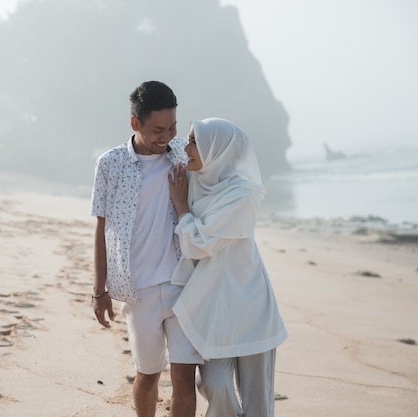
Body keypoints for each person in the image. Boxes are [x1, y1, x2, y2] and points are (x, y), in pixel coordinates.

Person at [91, 80, 202, 417]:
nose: (166, 137)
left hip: (185, 284)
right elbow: (101, 227)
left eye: (172, 128)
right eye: (157, 129)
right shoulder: (110, 164)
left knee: (184, 377)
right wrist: (99, 290)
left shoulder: (186, 154)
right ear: (135, 123)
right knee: (148, 374)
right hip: (137, 290)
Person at [167, 118, 288, 417]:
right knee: (215, 384)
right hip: (211, 306)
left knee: (258, 401)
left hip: (250, 306)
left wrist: (182, 207)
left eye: (195, 141)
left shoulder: (243, 195)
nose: (187, 146)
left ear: (216, 149)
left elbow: (198, 244)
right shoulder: (193, 181)